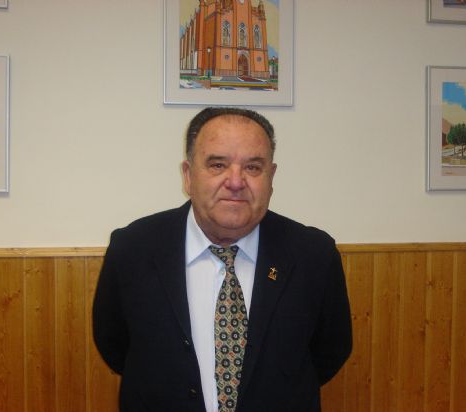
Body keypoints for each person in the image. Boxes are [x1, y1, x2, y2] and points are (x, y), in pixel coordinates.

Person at [93, 107, 352, 412]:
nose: (236, 181)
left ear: (271, 177)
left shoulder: (314, 255)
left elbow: (330, 352)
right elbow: (115, 346)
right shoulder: (132, 249)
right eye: (217, 165)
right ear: (188, 176)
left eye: (253, 167)